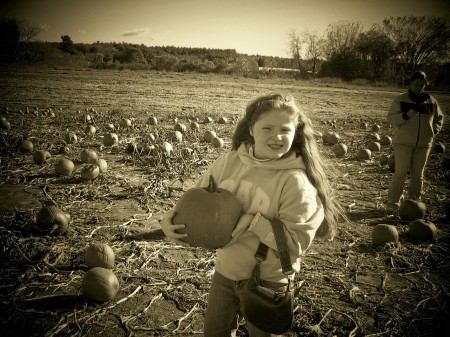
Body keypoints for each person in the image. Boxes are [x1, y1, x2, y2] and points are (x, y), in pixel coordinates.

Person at [161, 93, 346, 337]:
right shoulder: (228, 162)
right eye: (267, 127)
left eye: (285, 129)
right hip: (226, 271)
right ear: (251, 129)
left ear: (296, 133)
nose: (276, 136)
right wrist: (169, 219)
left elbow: (294, 246)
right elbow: (195, 200)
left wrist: (254, 222)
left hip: (268, 281)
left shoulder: (296, 182)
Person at [386, 71, 444, 212]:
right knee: (400, 173)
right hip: (403, 142)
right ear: (410, 84)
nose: (419, 87)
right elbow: (391, 118)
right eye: (416, 84)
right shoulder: (400, 99)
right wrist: (405, 115)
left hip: (424, 144)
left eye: (422, 85)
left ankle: (413, 206)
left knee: (418, 175)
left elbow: (439, 119)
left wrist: (434, 130)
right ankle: (392, 204)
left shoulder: (431, 101)